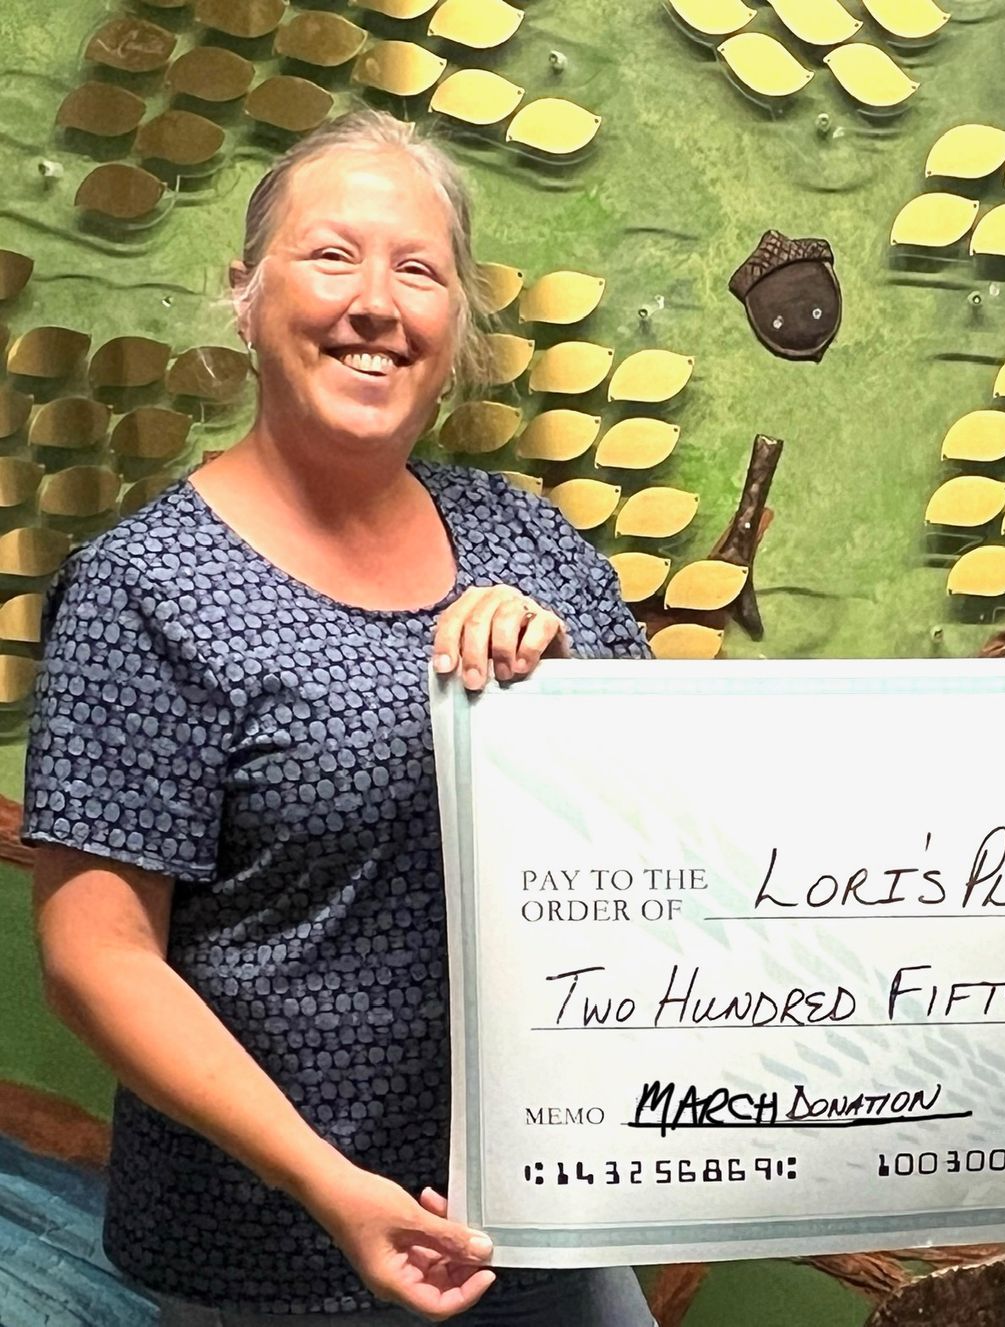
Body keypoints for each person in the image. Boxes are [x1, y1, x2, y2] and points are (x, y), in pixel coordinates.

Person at [26, 111, 658, 1324]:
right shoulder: (146, 590)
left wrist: (571, 693)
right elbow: (97, 958)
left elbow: (675, 839)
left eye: (418, 270)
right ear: (246, 297)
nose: (376, 303)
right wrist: (329, 1183)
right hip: (273, 1249)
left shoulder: (530, 543)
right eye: (331, 257)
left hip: (549, 1214)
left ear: (456, 323)